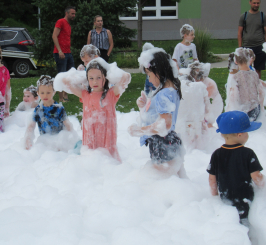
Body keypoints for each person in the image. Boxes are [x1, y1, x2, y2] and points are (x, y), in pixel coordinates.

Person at [57, 59, 131, 161]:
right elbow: (65, 82)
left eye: (99, 78)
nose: (95, 82)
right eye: (91, 78)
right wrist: (82, 76)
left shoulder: (110, 94)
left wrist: (110, 72)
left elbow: (126, 77)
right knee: (91, 160)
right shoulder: (86, 95)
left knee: (107, 162)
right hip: (90, 143)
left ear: (105, 78)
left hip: (107, 142)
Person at [128, 48, 186, 177]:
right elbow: (159, 116)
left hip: (162, 143)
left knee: (162, 179)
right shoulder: (172, 89)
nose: (149, 79)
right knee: (176, 177)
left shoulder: (162, 94)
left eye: (149, 74)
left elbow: (164, 125)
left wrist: (140, 130)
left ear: (158, 71)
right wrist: (144, 107)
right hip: (172, 140)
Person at [207, 111, 266, 227]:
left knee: (230, 226)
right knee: (245, 225)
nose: (248, 135)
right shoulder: (248, 154)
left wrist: (215, 197)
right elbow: (256, 177)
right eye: (247, 132)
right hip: (245, 200)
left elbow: (212, 180)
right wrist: (265, 189)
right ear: (240, 135)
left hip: (225, 198)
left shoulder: (216, 154)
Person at [24, 75, 74, 150]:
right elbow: (31, 126)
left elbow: (67, 125)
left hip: (58, 142)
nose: (45, 95)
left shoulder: (59, 109)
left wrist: (72, 139)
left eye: (48, 92)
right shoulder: (38, 110)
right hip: (45, 143)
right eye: (42, 93)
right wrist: (28, 139)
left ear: (54, 92)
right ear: (38, 93)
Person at [226, 48, 264, 122]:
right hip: (255, 108)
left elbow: (233, 96)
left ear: (235, 61)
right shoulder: (255, 74)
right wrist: (261, 106)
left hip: (242, 109)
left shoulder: (236, 77)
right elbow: (261, 92)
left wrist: (229, 110)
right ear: (249, 59)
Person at [238, 0, 266, 79]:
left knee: (258, 70)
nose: (256, 5)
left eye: (258, 3)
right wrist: (240, 48)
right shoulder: (244, 16)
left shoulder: (263, 16)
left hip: (260, 47)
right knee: (247, 69)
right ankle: (248, 88)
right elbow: (239, 33)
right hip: (247, 47)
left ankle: (257, 88)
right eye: (254, 3)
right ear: (250, 3)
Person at [52, 6, 76, 102]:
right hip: (61, 53)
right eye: (72, 14)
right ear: (67, 13)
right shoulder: (61, 21)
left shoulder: (69, 25)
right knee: (61, 75)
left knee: (70, 74)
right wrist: (60, 51)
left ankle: (66, 96)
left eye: (74, 14)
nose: (74, 15)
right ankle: (61, 98)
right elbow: (54, 36)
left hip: (68, 53)